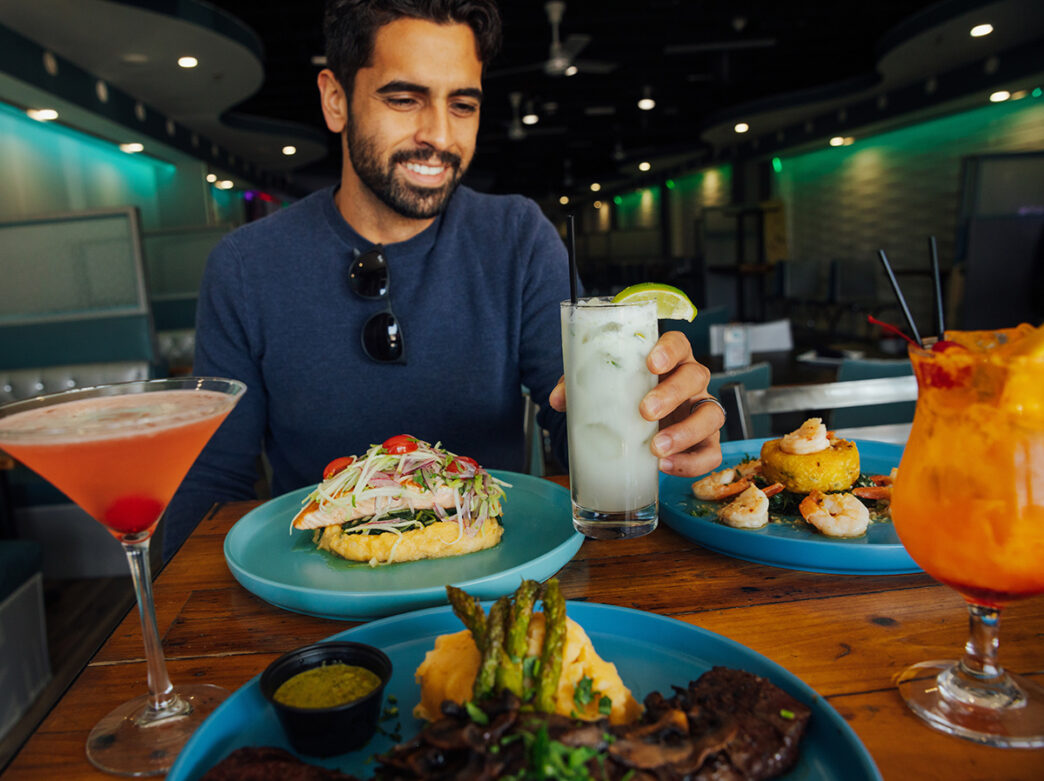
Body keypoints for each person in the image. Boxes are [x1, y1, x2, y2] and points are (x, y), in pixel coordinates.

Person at [162, 0, 724, 557]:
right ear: (336, 100)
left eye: (462, 105)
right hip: (315, 595)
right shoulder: (245, 265)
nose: (439, 135)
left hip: (499, 578)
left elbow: (571, 417)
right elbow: (211, 484)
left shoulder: (516, 235)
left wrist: (658, 421)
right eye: (405, 99)